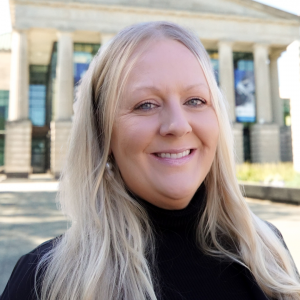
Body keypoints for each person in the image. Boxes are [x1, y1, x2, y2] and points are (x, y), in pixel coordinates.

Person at [1, 21, 300, 300]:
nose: (178, 125)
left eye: (195, 101)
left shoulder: (268, 254)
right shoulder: (44, 282)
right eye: (145, 105)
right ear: (103, 133)